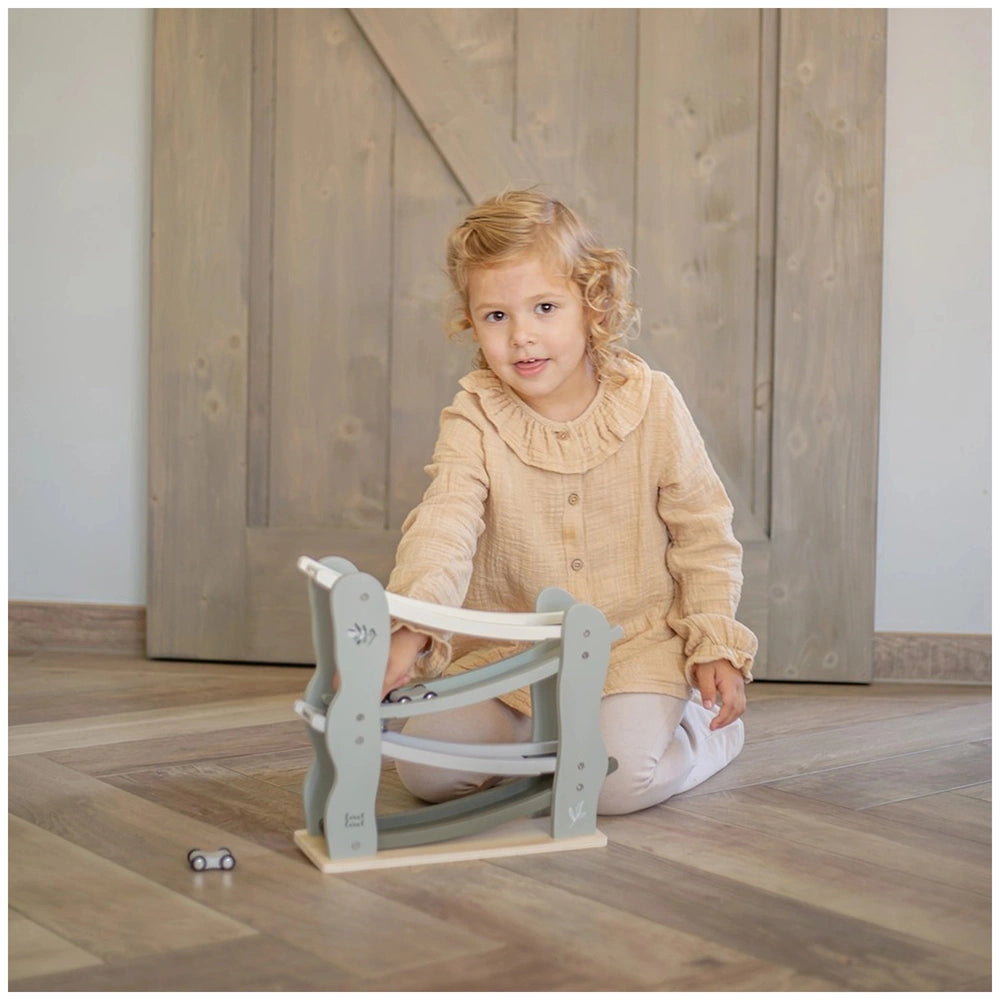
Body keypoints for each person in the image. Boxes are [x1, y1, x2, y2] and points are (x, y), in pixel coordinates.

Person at [382, 189, 757, 815]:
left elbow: (704, 533)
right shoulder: (474, 412)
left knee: (610, 787)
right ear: (471, 322)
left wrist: (714, 640)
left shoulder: (653, 402)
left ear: (593, 305)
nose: (522, 337)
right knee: (426, 774)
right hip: (515, 659)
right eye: (496, 316)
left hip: (634, 649)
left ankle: (695, 734)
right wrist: (412, 626)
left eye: (545, 307)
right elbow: (444, 521)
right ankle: (548, 740)